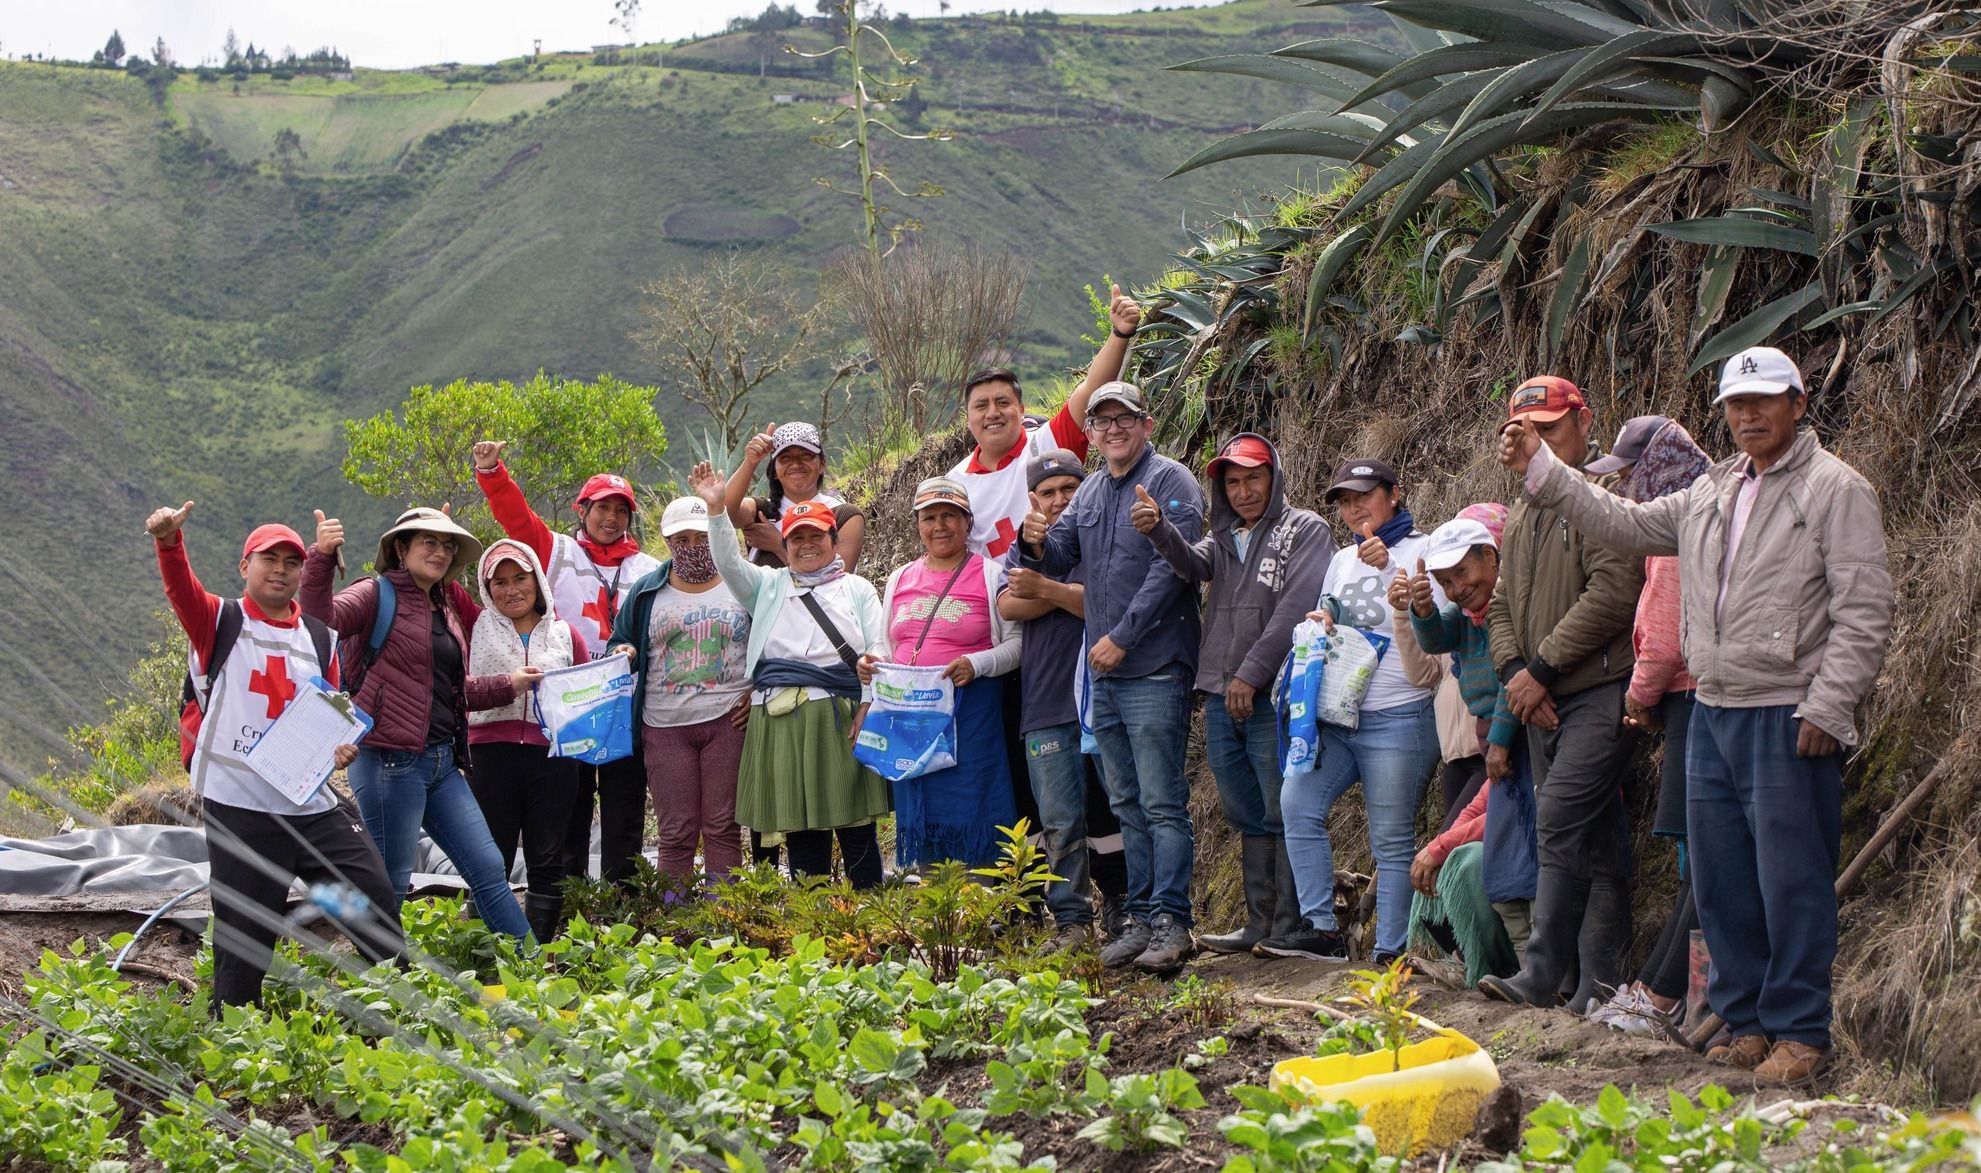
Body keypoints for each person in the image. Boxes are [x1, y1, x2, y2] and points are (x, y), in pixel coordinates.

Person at [1499, 346, 1893, 1083]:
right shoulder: (1711, 490)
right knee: (1720, 879)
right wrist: (1543, 473)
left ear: (1796, 403)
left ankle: (1799, 1032)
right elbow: (1622, 521)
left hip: (1786, 711)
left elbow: (1865, 608)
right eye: (1734, 405)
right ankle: (1745, 1020)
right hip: (1710, 709)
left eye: (1763, 400)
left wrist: (1830, 703)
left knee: (1792, 878)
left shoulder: (1836, 489)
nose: (1747, 415)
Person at [147, 501, 402, 1010]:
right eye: (269, 560)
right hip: (241, 805)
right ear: (246, 567)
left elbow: (329, 709)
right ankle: (234, 1035)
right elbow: (181, 591)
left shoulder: (319, 637)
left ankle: (398, 1003)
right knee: (248, 930)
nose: (280, 570)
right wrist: (170, 543)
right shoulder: (219, 621)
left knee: (370, 898)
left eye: (290, 562)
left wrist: (339, 748)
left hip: (309, 803)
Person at [1474, 377, 1646, 1015]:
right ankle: (1594, 989)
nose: (1540, 442)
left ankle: (1541, 972)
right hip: (1544, 698)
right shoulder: (1521, 510)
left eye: (1551, 428)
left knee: (1561, 819)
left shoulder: (1603, 496)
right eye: (1528, 432)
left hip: (1601, 689)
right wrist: (1519, 672)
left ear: (1583, 421)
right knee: (1592, 838)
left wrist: (1539, 671)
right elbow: (1497, 607)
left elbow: (1615, 590)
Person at [1020, 381, 1204, 973]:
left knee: (1161, 800)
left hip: (1152, 665)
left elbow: (1173, 573)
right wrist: (1034, 544)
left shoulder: (1172, 481)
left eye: (1125, 418)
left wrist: (1121, 637)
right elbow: (1059, 554)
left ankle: (1174, 921)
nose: (1113, 429)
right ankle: (1144, 918)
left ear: (1146, 424)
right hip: (1107, 674)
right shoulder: (1093, 488)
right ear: (1093, 433)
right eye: (1102, 422)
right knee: (1126, 802)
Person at [1133, 433, 1329, 955]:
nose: (1243, 491)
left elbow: (1294, 608)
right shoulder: (1222, 540)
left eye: (1253, 478)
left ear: (1275, 477)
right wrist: (1160, 531)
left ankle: (1292, 923)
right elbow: (1191, 565)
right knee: (1244, 810)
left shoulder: (1303, 529)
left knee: (1279, 805)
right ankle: (1258, 924)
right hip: (1220, 693)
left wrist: (1251, 674)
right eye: (1233, 482)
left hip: (1272, 693)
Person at [302, 506, 534, 942]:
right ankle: (384, 987)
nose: (441, 551)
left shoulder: (443, 607)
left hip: (442, 764)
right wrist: (321, 558)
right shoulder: (374, 594)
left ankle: (538, 973)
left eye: (447, 545)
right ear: (400, 548)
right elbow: (321, 622)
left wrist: (509, 685)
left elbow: (451, 688)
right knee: (389, 884)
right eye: (429, 542)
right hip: (389, 763)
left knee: (488, 870)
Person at [1257, 459, 1443, 965]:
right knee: (1297, 800)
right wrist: (1323, 618)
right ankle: (1323, 930)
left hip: (1401, 713)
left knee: (1391, 836)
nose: (1355, 507)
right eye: (1345, 499)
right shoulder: (1341, 559)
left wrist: (1388, 567)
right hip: (1341, 717)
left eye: (1365, 495)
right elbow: (1333, 607)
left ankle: (1391, 950)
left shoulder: (1425, 549)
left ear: (1395, 494)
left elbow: (1435, 625)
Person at [692, 462, 891, 888]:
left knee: (855, 829)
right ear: (785, 544)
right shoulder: (767, 585)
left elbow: (878, 649)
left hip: (839, 716)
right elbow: (727, 561)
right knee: (800, 833)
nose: (806, 545)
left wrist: (869, 705)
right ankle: (811, 934)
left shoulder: (857, 590)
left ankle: (873, 929)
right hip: (779, 720)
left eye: (816, 536)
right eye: (797, 538)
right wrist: (714, 509)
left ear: (834, 541)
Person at [1575, 417, 1712, 1037]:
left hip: (1688, 699)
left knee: (1701, 856)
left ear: (1657, 467)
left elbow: (1662, 635)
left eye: (1630, 474)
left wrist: (1638, 697)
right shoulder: (1706, 512)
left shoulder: (1674, 529)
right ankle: (1685, 997)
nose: (1625, 488)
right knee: (1703, 854)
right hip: (1696, 696)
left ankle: (1663, 997)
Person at [473, 440, 661, 885]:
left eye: (621, 510)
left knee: (624, 811)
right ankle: (569, 901)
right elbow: (516, 518)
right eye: (601, 508)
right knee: (570, 813)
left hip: (625, 707)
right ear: (581, 510)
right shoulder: (554, 553)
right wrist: (493, 472)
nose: (611, 518)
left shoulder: (649, 567)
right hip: (570, 706)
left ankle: (622, 904)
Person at [1394, 510, 1537, 988]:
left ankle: (1521, 967)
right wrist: (1422, 610)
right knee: (1461, 838)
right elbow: (1436, 637)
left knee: (1487, 853)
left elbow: (1509, 685)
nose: (1456, 588)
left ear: (1493, 554)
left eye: (1463, 574)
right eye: (1445, 581)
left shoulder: (1511, 612)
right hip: (1491, 734)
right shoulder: (1470, 616)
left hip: (1512, 733)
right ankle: (1444, 956)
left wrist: (1498, 739)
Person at [999, 449, 1133, 951]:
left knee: (1115, 813)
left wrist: (1045, 589)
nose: (1059, 500)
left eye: (1068, 490)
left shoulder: (1103, 540)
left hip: (1107, 700)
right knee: (1057, 819)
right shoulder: (1027, 543)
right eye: (1049, 492)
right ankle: (1072, 922)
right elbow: (1009, 602)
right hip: (1045, 702)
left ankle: (1124, 908)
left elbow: (1107, 603)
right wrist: (1065, 592)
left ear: (1086, 491)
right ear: (1034, 498)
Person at [867, 477, 1023, 869]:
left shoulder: (990, 574)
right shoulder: (901, 578)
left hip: (971, 719)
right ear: (918, 524)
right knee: (922, 811)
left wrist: (978, 663)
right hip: (910, 723)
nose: (939, 526)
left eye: (950, 516)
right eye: (930, 517)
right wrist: (871, 662)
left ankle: (984, 910)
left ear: (967, 522)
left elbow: (1018, 645)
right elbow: (886, 644)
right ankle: (936, 914)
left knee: (976, 805)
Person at [609, 497, 752, 887]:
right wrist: (625, 651)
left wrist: (757, 692)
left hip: (728, 721)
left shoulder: (744, 582)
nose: (692, 546)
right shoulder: (647, 591)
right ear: (668, 541)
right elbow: (619, 640)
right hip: (664, 725)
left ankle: (724, 923)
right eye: (682, 539)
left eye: (701, 537)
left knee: (722, 827)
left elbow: (773, 642)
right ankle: (675, 927)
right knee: (675, 834)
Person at [949, 285, 1143, 559]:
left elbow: (1090, 389)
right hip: (995, 600)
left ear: (1021, 409)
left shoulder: (1047, 444)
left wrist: (1120, 332)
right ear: (968, 419)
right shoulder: (954, 483)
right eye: (981, 406)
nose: (993, 413)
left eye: (1003, 403)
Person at [464, 538, 589, 943]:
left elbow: (586, 692)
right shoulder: (472, 624)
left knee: (547, 855)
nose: (511, 589)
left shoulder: (566, 634)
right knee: (489, 854)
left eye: (520, 577)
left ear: (538, 580)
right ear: (486, 587)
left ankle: (538, 950)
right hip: (489, 755)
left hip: (551, 759)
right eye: (499, 582)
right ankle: (485, 946)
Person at [724, 421, 867, 572]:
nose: (796, 464)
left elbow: (839, 577)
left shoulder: (844, 515)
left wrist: (778, 543)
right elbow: (724, 512)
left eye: (806, 456)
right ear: (775, 470)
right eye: (785, 458)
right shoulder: (762, 512)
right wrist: (751, 461)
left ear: (822, 464)